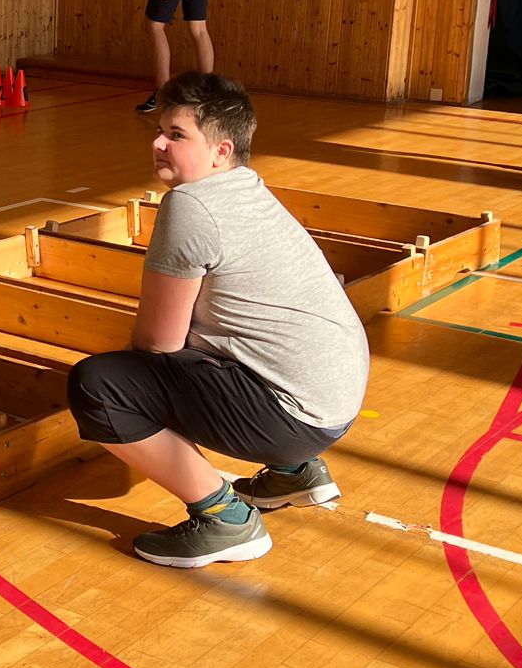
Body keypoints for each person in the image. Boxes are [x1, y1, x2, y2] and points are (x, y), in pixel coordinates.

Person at [67, 73, 367, 569]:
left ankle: (225, 519)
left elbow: (158, 344)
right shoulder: (246, 187)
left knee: (99, 385)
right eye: (160, 131)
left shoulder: (190, 205)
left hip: (294, 415)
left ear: (221, 150)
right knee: (208, 344)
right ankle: (294, 474)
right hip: (333, 402)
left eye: (176, 135)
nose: (157, 143)